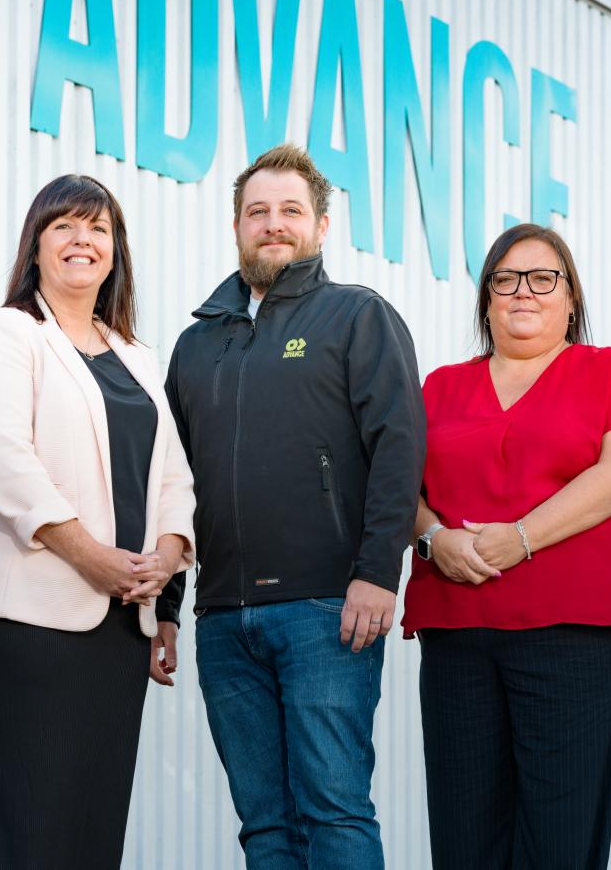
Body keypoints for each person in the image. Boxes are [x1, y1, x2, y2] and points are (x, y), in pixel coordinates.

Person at [158, 143, 425, 869]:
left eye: (290, 211)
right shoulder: (195, 345)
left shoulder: (357, 317)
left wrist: (377, 573)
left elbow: (400, 449)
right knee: (265, 827)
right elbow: (172, 487)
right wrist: (167, 605)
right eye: (257, 212)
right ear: (237, 225)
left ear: (322, 226)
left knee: (333, 811)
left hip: (326, 610)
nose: (272, 225)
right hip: (222, 619)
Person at [0, 174, 195, 869]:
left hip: (118, 627)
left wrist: (166, 561)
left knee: (90, 828)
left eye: (99, 228)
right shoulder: (4, 332)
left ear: (116, 251)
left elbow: (173, 477)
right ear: (37, 245)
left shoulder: (139, 358)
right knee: (23, 826)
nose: (83, 240)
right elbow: (6, 461)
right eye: (65, 226)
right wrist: (92, 557)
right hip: (22, 621)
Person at [403, 223, 611, 869]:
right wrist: (433, 536)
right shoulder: (439, 386)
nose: (524, 292)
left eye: (544, 278)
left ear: (571, 299)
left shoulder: (605, 370)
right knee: (465, 835)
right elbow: (395, 487)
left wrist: (521, 539)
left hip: (573, 634)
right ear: (487, 299)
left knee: (560, 835)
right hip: (459, 630)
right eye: (506, 279)